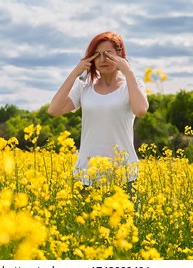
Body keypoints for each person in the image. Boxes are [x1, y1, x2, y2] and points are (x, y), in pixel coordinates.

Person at [48, 31, 149, 199]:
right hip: (87, 175)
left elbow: (140, 110)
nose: (102, 60)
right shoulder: (83, 87)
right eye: (97, 55)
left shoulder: (133, 84)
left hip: (124, 174)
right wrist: (74, 73)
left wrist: (129, 72)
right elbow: (54, 110)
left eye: (108, 54)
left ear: (120, 55)